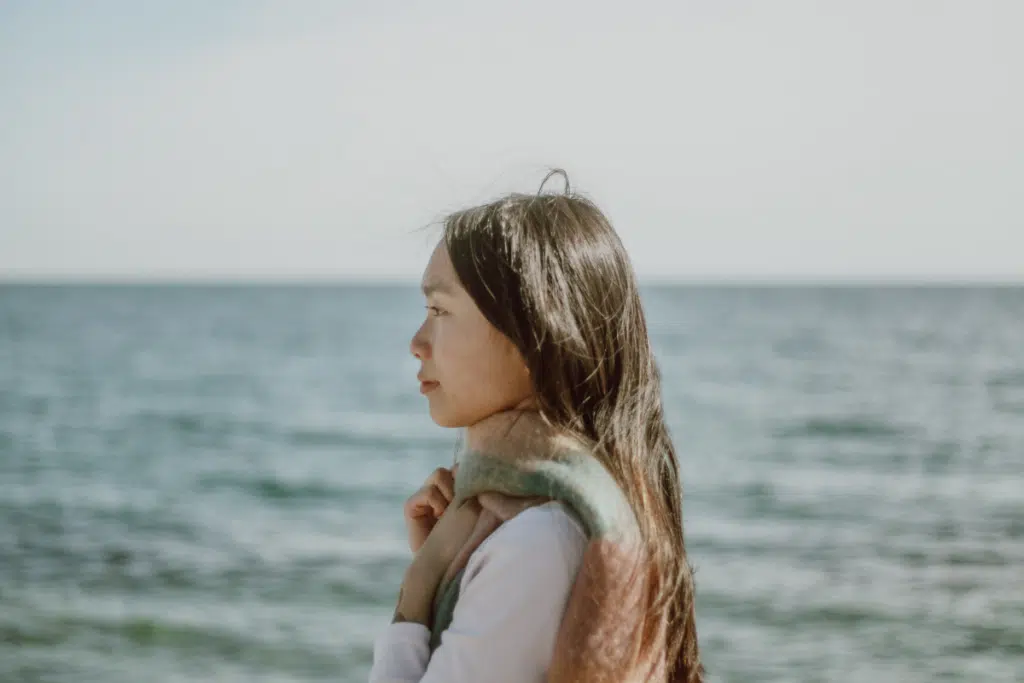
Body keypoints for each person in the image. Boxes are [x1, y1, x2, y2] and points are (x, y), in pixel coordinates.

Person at [369, 169, 703, 683]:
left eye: (439, 309)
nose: (417, 340)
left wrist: (418, 588)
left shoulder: (537, 543)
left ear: (533, 339)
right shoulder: (546, 518)